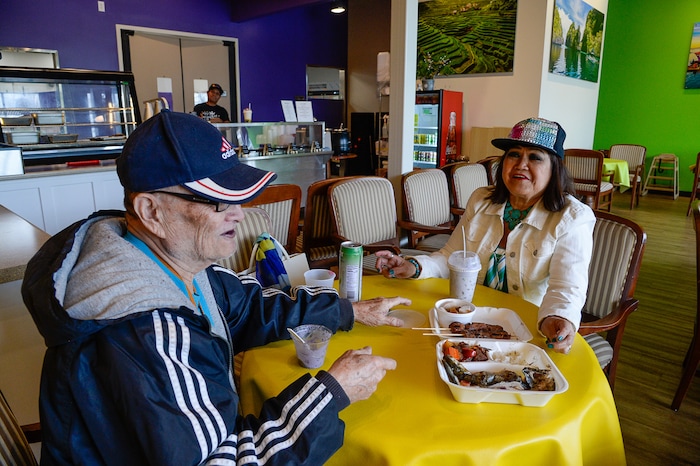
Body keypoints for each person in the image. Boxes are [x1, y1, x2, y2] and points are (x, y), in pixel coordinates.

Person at [21, 110, 410, 465]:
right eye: (217, 201)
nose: (239, 214)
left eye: (237, 196)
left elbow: (248, 307)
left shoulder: (172, 261)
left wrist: (349, 310)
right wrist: (332, 393)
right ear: (151, 211)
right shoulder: (143, 333)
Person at [376, 117, 595, 355]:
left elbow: (566, 288)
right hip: (466, 323)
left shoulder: (573, 218)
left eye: (534, 157)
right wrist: (413, 266)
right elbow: (451, 256)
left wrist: (559, 318)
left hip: (524, 332)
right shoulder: (481, 200)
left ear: (554, 168)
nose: (521, 164)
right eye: (513, 154)